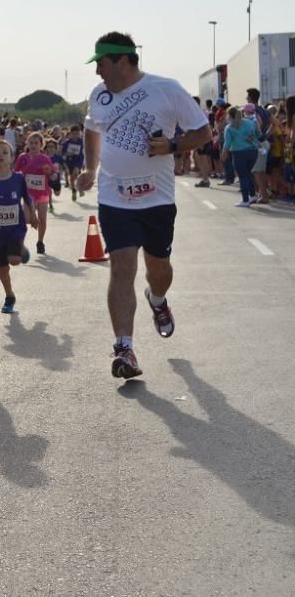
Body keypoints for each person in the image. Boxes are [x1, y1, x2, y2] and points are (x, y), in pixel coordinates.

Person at [77, 32, 212, 379]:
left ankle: (157, 299)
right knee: (121, 267)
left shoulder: (166, 89)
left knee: (158, 269)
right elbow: (92, 130)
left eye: (101, 64)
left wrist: (172, 145)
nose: (97, 73)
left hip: (156, 199)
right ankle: (124, 348)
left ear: (122, 60)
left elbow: (203, 131)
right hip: (114, 197)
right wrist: (90, 169)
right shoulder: (99, 95)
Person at [0, 140, 35, 314]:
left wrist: (33, 215)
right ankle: (9, 296)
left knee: (14, 260)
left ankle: (19, 248)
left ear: (12, 158)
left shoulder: (18, 179)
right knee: (3, 268)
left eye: (4, 152)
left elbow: (27, 198)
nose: (0, 155)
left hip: (15, 229)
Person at [15, 132, 53, 253]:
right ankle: (20, 241)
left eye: (36, 143)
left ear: (41, 145)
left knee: (42, 220)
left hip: (42, 193)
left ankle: (40, 241)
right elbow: (16, 172)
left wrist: (48, 171)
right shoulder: (22, 157)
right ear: (27, 143)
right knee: (26, 218)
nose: (33, 145)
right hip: (28, 193)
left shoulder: (45, 159)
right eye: (31, 142)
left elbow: (52, 174)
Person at [220, 106, 260, 207]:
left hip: (239, 153)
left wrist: (223, 155)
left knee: (242, 176)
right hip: (253, 151)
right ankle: (252, 195)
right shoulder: (249, 122)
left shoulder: (229, 128)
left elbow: (227, 144)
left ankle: (245, 200)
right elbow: (257, 134)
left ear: (230, 116)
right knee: (249, 174)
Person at [61, 124, 85, 200]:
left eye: (77, 134)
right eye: (73, 134)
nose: (75, 136)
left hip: (78, 160)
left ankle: (80, 188)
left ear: (79, 133)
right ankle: (74, 190)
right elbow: (63, 154)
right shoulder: (66, 143)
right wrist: (68, 154)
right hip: (70, 161)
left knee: (76, 172)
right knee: (71, 177)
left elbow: (86, 151)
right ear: (70, 134)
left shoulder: (81, 142)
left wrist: (85, 162)